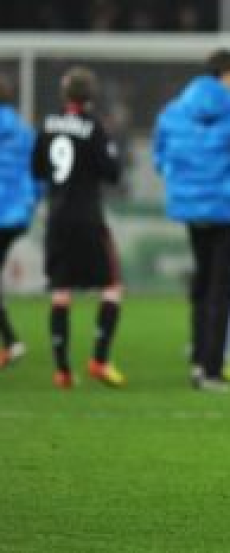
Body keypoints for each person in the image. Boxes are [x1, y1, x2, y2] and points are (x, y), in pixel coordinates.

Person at [154, 49, 230, 392]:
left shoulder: (175, 109)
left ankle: (198, 361)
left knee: (203, 283)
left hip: (191, 208)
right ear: (227, 74)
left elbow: (160, 155)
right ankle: (213, 369)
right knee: (225, 290)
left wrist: (182, 184)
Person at [31, 66, 125, 389]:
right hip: (88, 217)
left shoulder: (47, 124)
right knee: (112, 287)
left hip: (56, 217)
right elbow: (113, 173)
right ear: (91, 95)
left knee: (60, 291)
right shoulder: (95, 127)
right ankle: (99, 360)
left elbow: (37, 169)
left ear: (64, 94)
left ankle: (62, 372)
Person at [0, 74, 38, 369]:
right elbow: (39, 173)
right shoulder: (24, 131)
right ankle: (11, 341)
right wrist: (29, 204)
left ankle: (12, 342)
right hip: (16, 216)